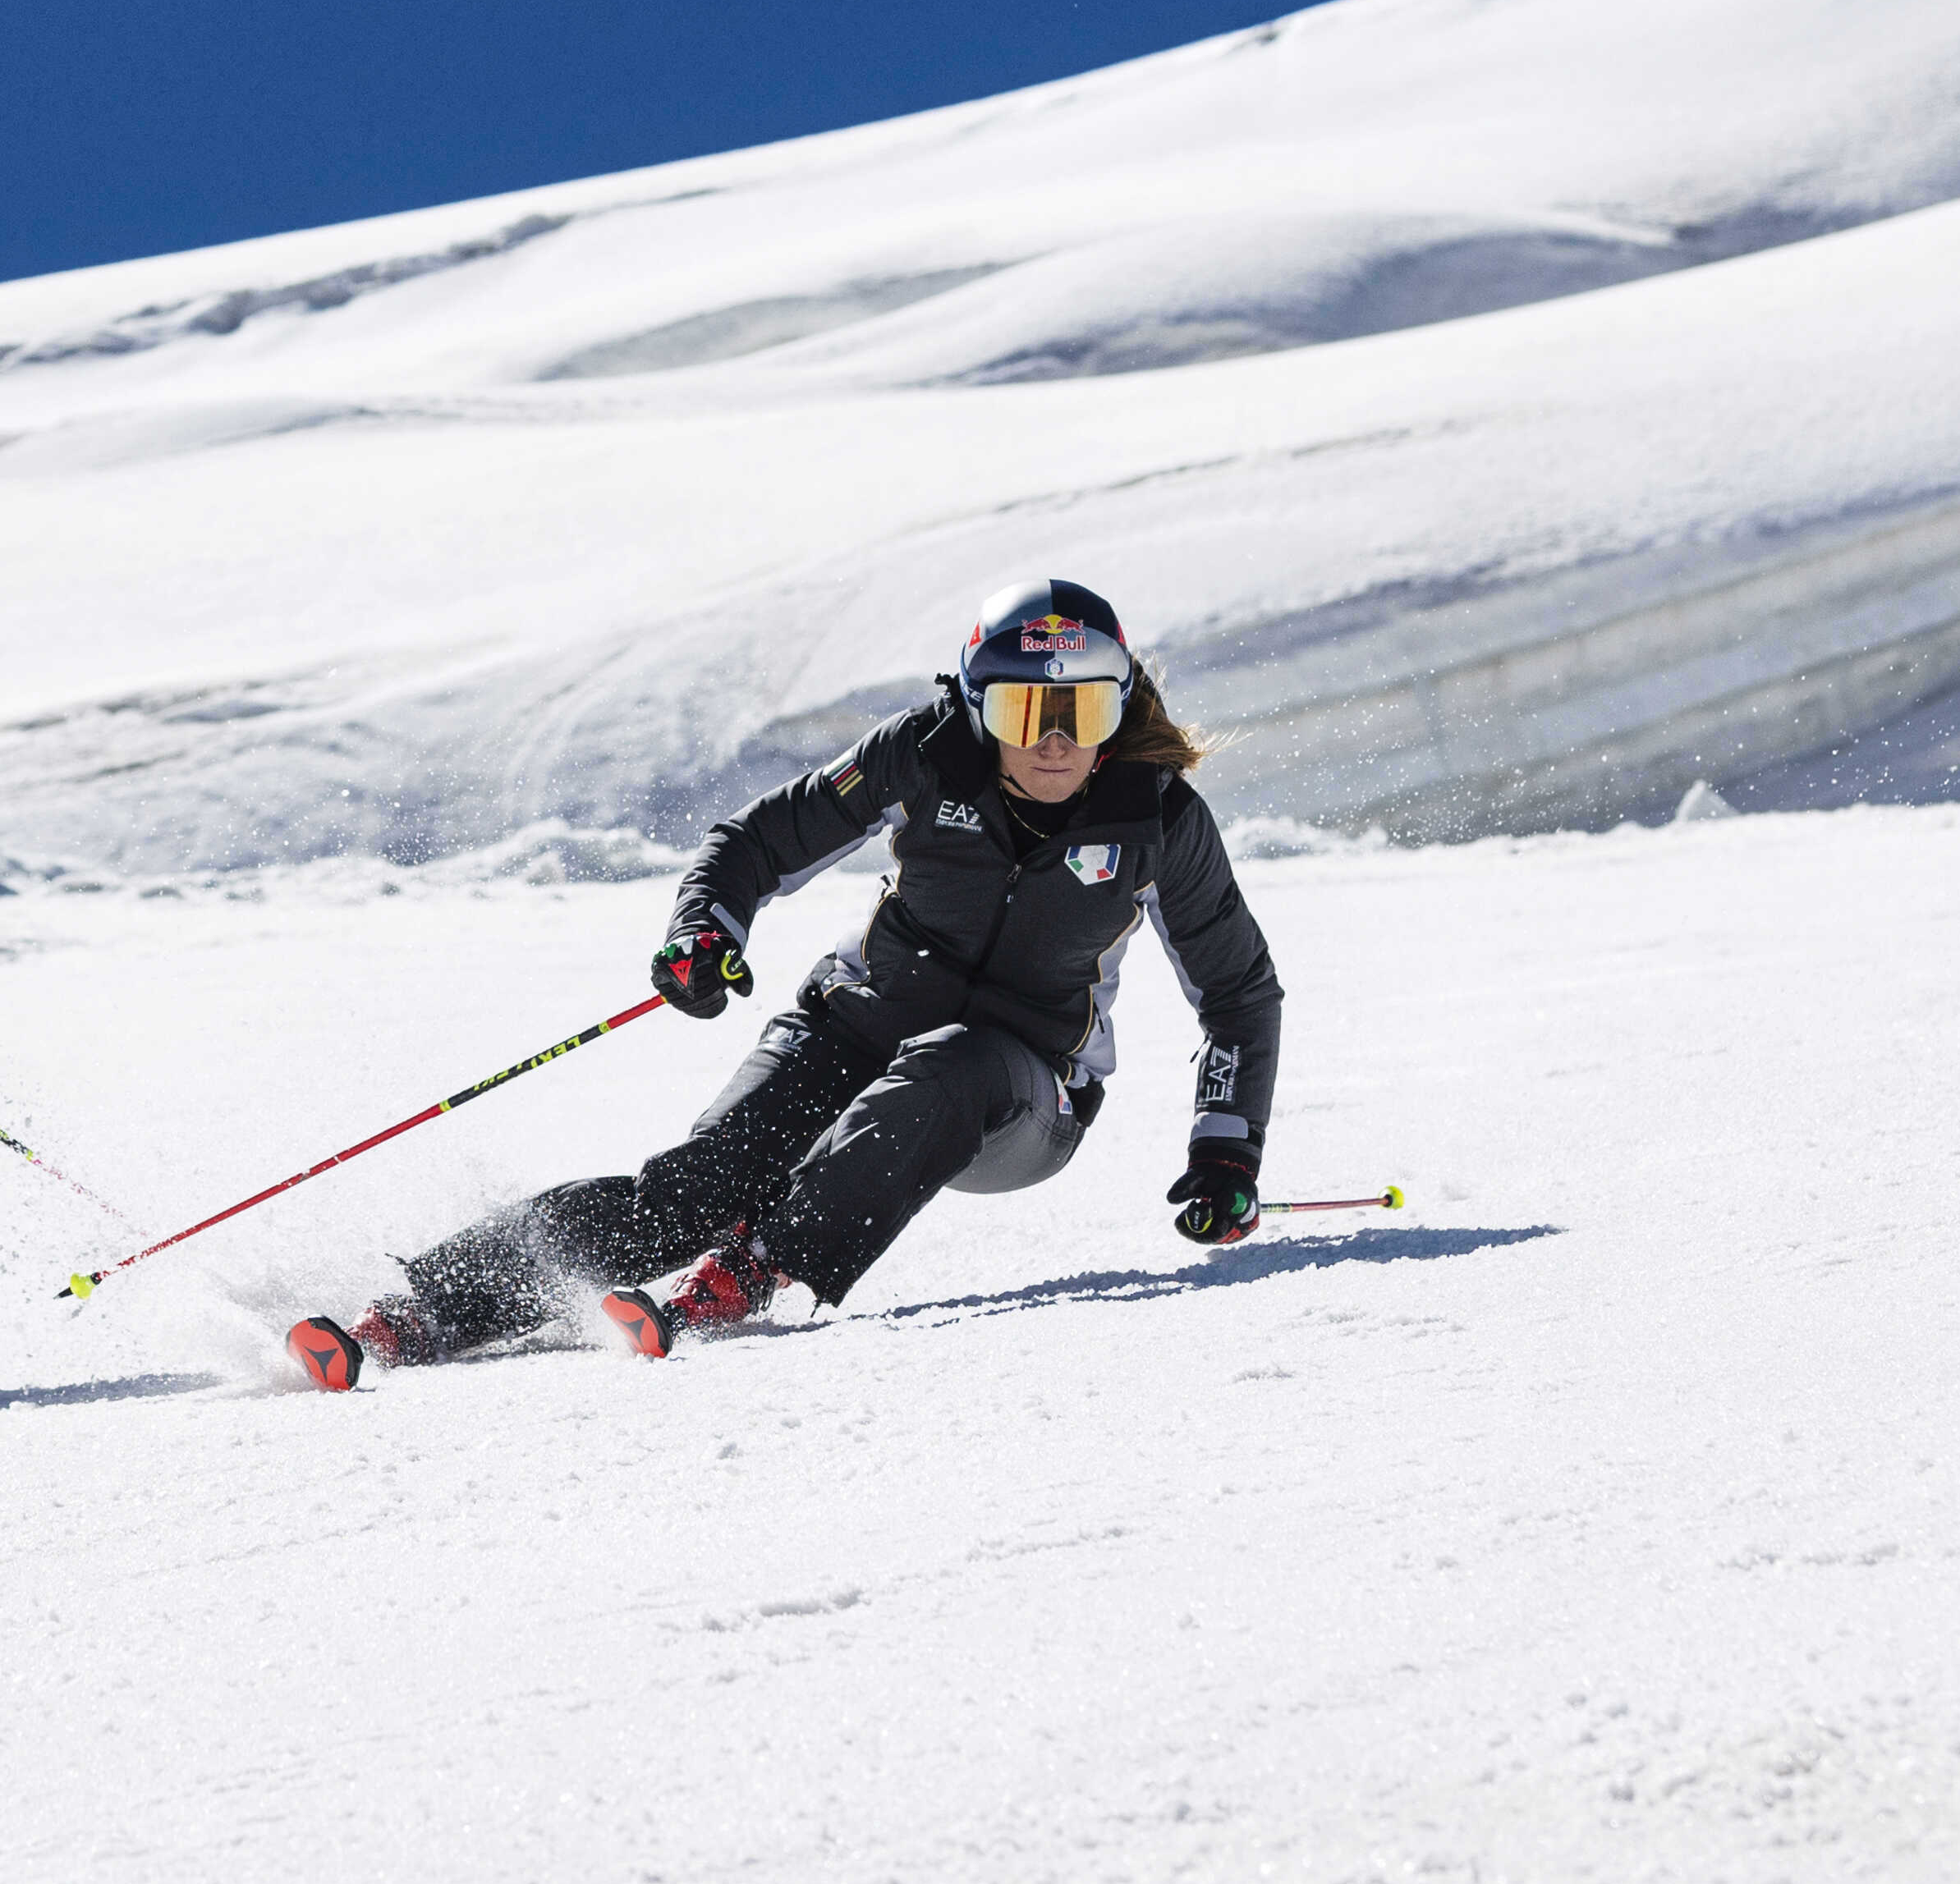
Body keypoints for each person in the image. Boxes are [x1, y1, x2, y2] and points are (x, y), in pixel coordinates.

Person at [288, 574, 1282, 1387]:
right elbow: (755, 842)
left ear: (1120, 706)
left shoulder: (1156, 822)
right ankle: (423, 1312)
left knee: (955, 1063)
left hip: (1020, 1096)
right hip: (854, 1026)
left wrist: (1225, 1152)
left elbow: (1236, 993)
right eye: (1027, 709)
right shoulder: (922, 758)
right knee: (692, 1186)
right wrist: (701, 932)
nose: (1055, 740)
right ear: (979, 706)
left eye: (1085, 709)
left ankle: (756, 1268)